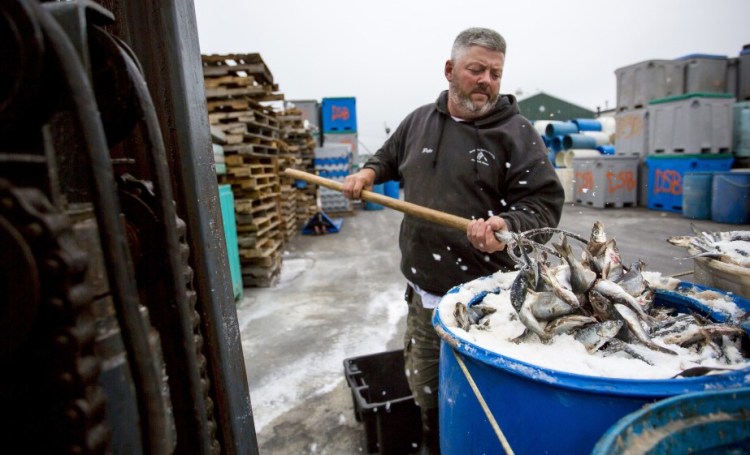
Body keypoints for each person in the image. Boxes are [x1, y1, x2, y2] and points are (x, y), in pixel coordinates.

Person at [342, 27, 564, 454]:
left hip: (488, 303)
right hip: (425, 294)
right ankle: (433, 441)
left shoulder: (516, 133)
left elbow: (543, 204)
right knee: (427, 389)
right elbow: (387, 157)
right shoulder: (419, 120)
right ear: (449, 70)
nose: (486, 81)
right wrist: (367, 175)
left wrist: (506, 228)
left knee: (480, 401)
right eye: (476, 69)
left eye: (495, 74)